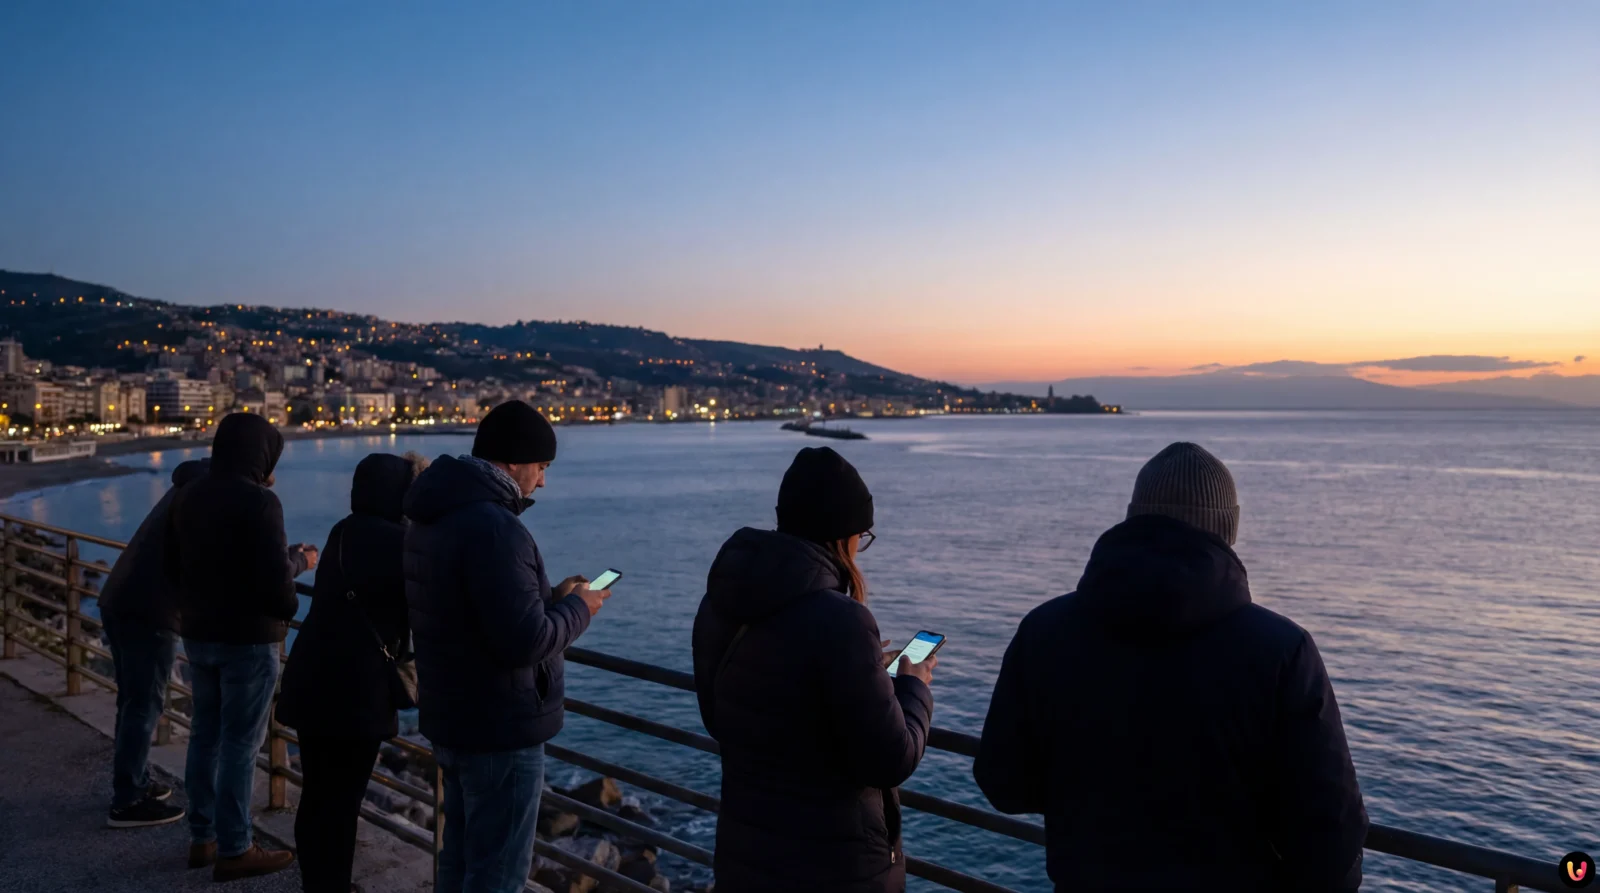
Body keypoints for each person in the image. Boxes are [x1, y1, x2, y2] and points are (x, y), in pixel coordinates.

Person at [974, 442, 1368, 892]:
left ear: (1132, 517)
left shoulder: (1044, 630)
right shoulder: (1282, 649)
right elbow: (1332, 829)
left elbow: (1003, 783)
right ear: (1228, 529)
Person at [691, 446, 935, 893]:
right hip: (832, 866)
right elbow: (890, 758)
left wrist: (861, 671)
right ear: (842, 535)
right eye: (863, 534)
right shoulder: (842, 619)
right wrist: (911, 685)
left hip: (747, 855)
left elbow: (724, 714)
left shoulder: (721, 602)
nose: (862, 546)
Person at [404, 400, 609, 893]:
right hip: (499, 726)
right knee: (498, 875)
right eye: (541, 468)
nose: (543, 482)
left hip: (451, 715)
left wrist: (549, 598)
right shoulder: (496, 528)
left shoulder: (434, 514)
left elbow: (469, 607)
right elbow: (526, 640)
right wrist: (580, 608)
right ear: (515, 461)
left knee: (458, 857)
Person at [167, 412, 319, 882]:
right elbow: (277, 589)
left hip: (198, 632)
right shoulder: (260, 503)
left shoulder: (189, 495)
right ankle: (236, 847)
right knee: (240, 744)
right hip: (248, 641)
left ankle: (202, 837)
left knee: (204, 735)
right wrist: (300, 564)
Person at [277, 452, 427, 893]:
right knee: (343, 803)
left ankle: (316, 884)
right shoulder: (401, 543)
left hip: (312, 675)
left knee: (318, 795)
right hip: (357, 690)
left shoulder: (342, 530)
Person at [100, 458, 208, 829]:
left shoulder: (187, 488)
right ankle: (127, 801)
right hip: (150, 611)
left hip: (119, 598)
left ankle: (134, 782)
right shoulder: (205, 497)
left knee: (132, 700)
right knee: (143, 705)